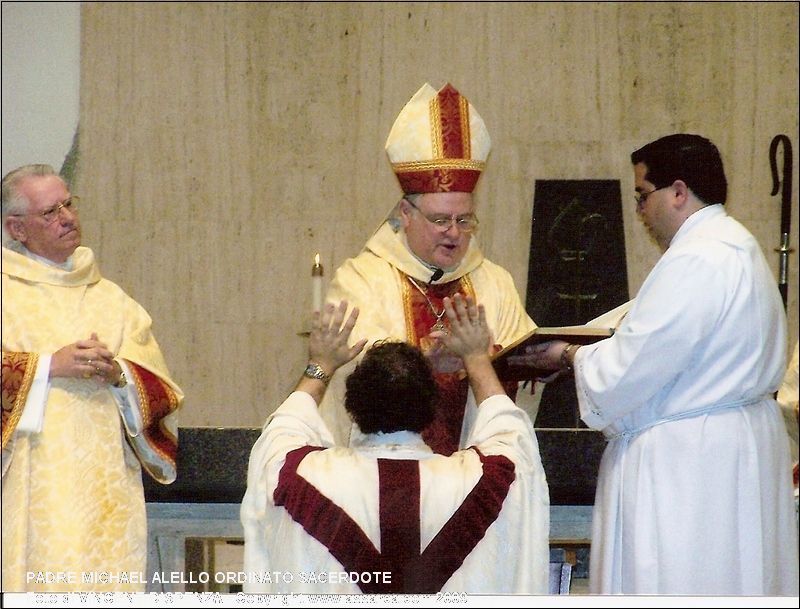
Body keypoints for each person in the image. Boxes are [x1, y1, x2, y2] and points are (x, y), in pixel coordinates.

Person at [523, 134, 799, 595]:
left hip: (689, 467)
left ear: (677, 190)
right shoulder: (736, 246)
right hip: (727, 450)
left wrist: (568, 356)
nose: (640, 213)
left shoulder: (698, 258)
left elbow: (628, 370)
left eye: (641, 196)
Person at [240, 296, 550, 593]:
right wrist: (477, 358)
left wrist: (321, 364)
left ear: (353, 408)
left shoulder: (297, 476)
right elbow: (511, 435)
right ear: (431, 409)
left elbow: (285, 426)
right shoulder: (490, 480)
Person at [319, 82, 536, 456]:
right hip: (384, 472)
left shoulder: (494, 282)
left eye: (465, 220)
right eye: (440, 220)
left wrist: (497, 358)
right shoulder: (362, 280)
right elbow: (349, 377)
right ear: (406, 214)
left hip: (474, 476)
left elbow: (522, 379)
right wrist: (422, 364)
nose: (454, 233)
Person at [1, 164, 184, 592]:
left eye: (68, 204)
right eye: (50, 212)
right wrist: (47, 367)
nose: (67, 217)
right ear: (17, 229)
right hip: (32, 490)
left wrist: (120, 374)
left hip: (108, 490)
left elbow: (163, 391)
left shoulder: (113, 300)